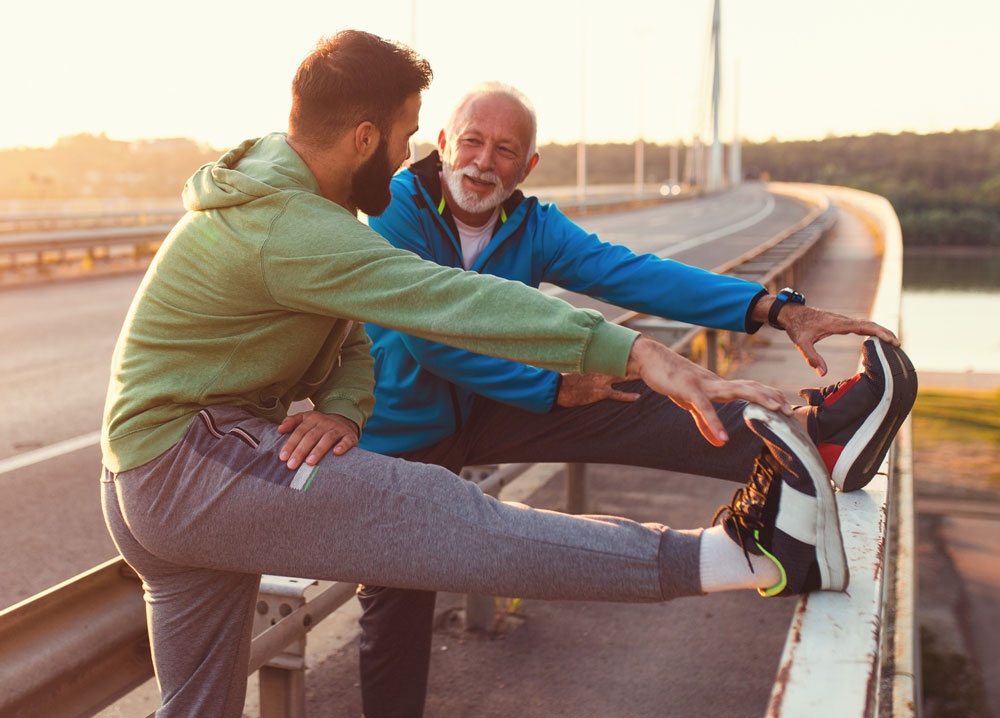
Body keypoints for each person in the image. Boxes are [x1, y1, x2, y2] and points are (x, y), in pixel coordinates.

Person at [100, 32, 889, 717]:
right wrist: (631, 351)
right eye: (418, 134)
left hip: (166, 475)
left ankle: (807, 441)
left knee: (196, 709)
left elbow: (348, 340)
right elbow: (441, 304)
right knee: (453, 521)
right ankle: (746, 558)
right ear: (369, 137)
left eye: (501, 149)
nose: (429, 153)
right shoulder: (303, 224)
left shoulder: (311, 209)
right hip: (193, 461)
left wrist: (341, 407)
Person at [358, 82, 918, 717]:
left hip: (491, 406)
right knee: (396, 608)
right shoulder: (395, 211)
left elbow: (635, 273)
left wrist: (775, 309)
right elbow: (430, 335)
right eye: (473, 142)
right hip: (402, 433)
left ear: (530, 166)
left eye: (506, 150)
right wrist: (551, 385)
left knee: (624, 391)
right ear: (443, 145)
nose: (484, 162)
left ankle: (819, 440)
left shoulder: (533, 226)